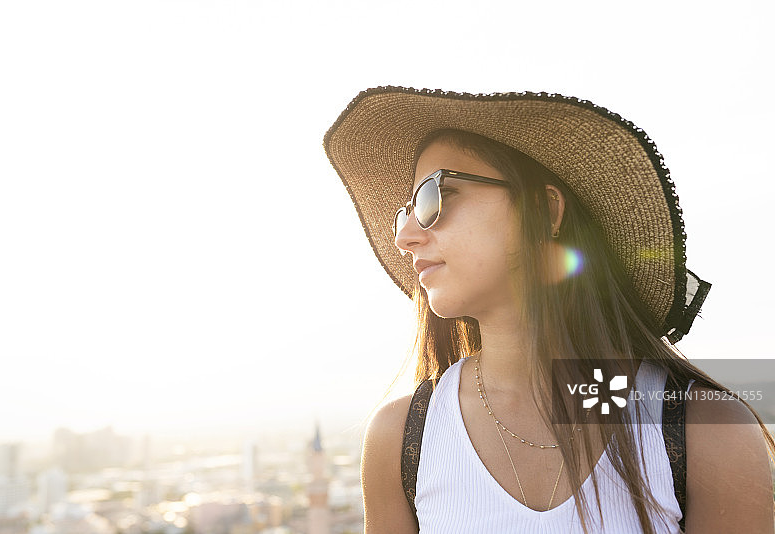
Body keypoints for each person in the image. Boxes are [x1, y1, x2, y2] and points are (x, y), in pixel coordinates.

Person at [323, 87, 775, 533]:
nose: (406, 238)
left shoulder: (704, 431)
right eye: (406, 213)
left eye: (433, 196)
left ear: (544, 209)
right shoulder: (402, 439)